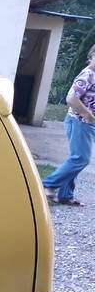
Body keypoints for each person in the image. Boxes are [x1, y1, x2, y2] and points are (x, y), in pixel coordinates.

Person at [44, 45, 95, 207]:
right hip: (79, 121)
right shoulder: (87, 75)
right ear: (92, 55)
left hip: (86, 123)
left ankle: (65, 195)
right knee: (81, 158)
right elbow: (71, 98)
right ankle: (47, 184)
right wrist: (87, 113)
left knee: (76, 158)